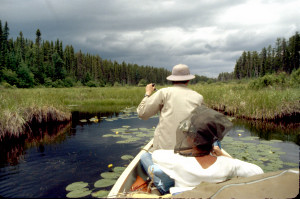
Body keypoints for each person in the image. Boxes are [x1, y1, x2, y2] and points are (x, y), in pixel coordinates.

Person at [141, 105, 264, 195]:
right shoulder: (227, 164)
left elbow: (156, 155)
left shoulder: (176, 161)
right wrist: (223, 155)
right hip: (210, 192)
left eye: (189, 133)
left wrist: (182, 152)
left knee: (146, 158)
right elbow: (258, 171)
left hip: (181, 194)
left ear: (191, 139)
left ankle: (158, 184)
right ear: (212, 141)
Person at [137, 64, 203, 151]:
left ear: (172, 80)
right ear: (188, 80)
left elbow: (142, 113)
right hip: (188, 150)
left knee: (144, 157)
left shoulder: (164, 93)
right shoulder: (198, 97)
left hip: (164, 152)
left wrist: (148, 93)